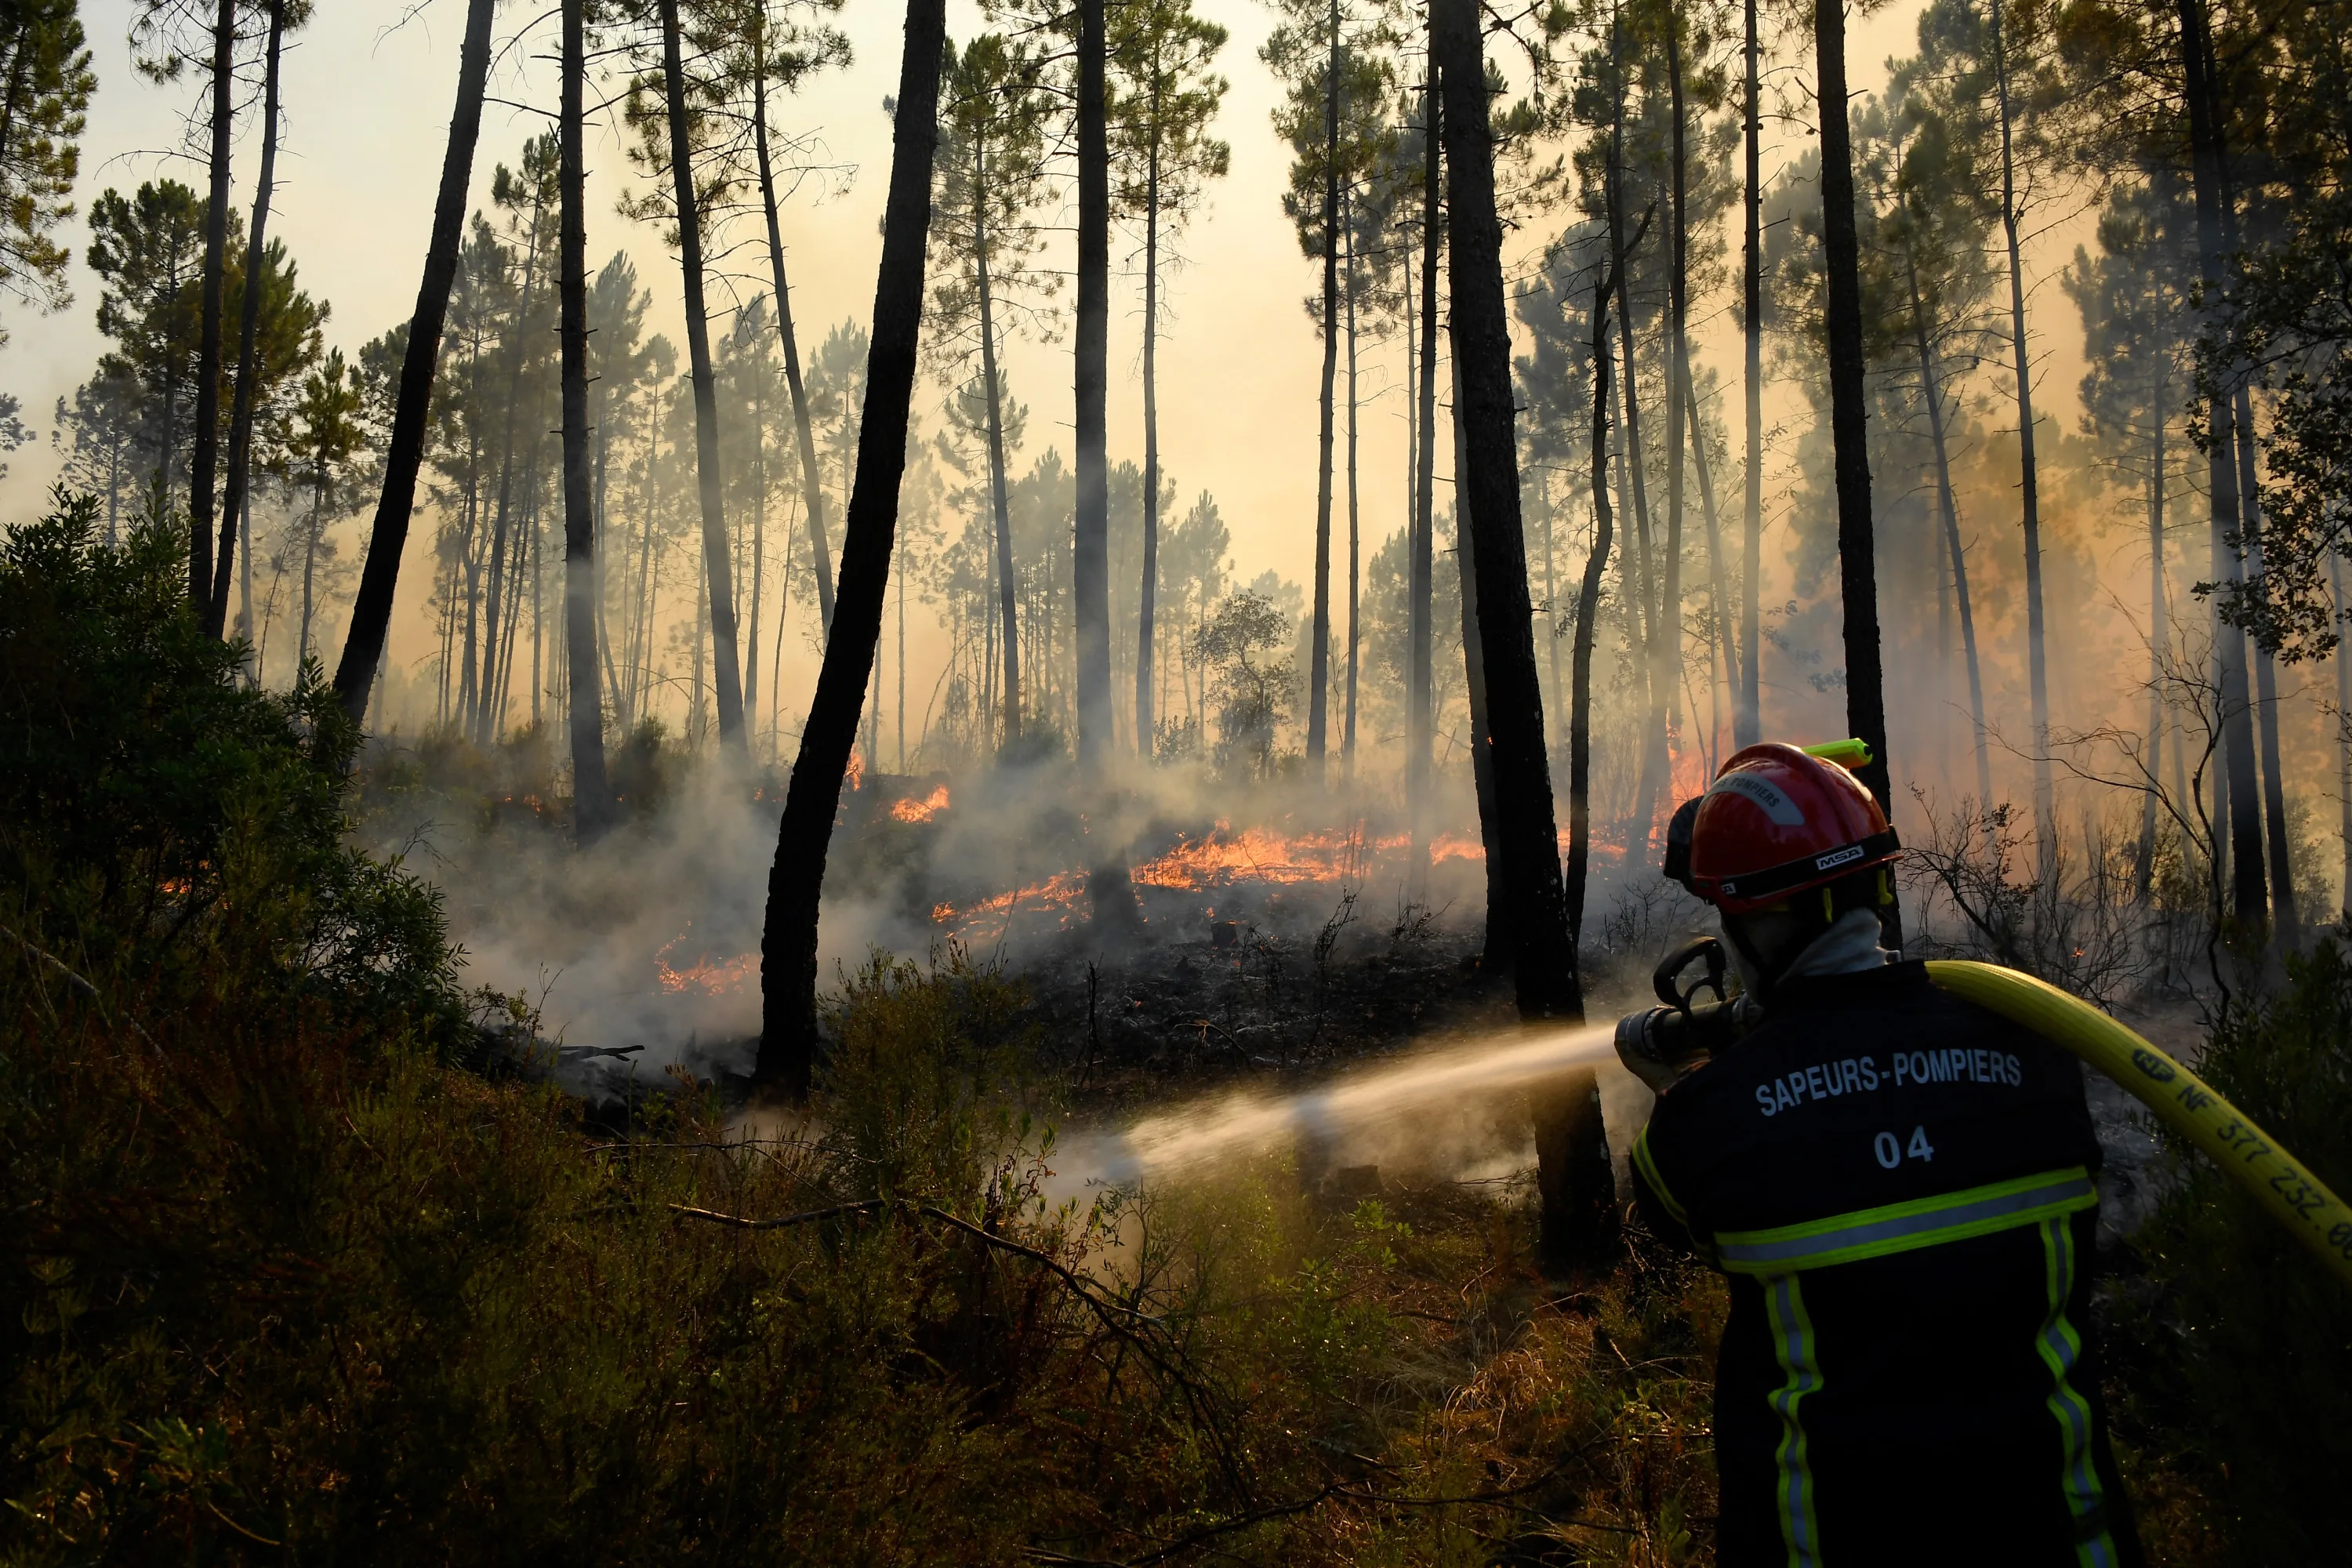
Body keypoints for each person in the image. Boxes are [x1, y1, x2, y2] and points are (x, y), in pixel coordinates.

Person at [1621, 742, 2143, 1568]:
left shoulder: (1715, 1116)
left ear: (1754, 923)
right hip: (2063, 1543)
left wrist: (1676, 1085)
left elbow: (1667, 1210)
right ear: (1875, 885)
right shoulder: (2039, 1053)